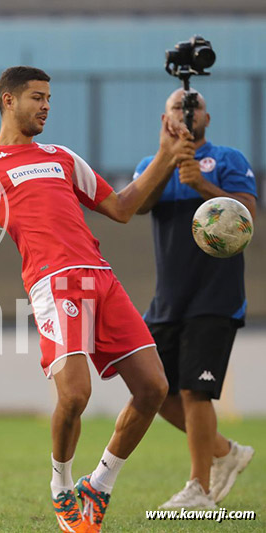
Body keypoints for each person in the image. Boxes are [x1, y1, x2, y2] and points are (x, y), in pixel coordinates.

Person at [0, 66, 194, 532]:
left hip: (101, 278)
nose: (46, 105)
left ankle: (101, 484)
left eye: (49, 97)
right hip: (53, 283)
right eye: (36, 97)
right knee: (75, 395)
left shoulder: (63, 157)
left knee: (154, 387)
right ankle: (62, 487)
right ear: (8, 101)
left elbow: (123, 208)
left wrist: (167, 156)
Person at [135, 88, 256, 510]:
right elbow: (138, 204)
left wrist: (202, 184)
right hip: (168, 299)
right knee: (152, 389)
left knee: (194, 391)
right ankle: (224, 451)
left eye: (194, 106)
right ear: (163, 118)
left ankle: (199, 490)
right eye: (176, 107)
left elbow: (247, 215)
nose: (187, 113)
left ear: (208, 115)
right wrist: (167, 161)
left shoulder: (229, 160)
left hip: (216, 296)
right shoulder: (151, 166)